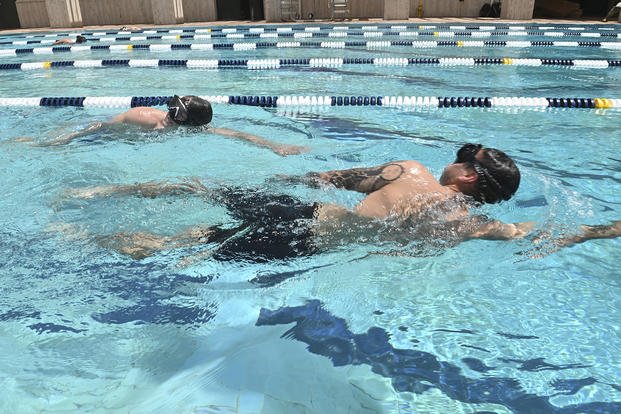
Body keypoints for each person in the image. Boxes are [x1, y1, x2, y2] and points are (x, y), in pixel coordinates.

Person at [58, 143, 621, 261]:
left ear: (471, 176)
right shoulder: (467, 227)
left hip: (302, 213)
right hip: (307, 247)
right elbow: (541, 237)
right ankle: (85, 242)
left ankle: (98, 193)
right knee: (185, 243)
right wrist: (605, 230)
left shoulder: (413, 170)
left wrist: (288, 174)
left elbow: (329, 177)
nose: (454, 158)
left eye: (464, 157)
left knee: (199, 190)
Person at [17, 95, 306, 156]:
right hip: (100, 134)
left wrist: (273, 145)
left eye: (176, 112)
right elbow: (102, 126)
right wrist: (70, 138)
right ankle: (30, 144)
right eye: (171, 109)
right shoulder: (147, 118)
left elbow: (234, 134)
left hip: (120, 140)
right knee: (52, 144)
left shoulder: (187, 128)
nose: (169, 114)